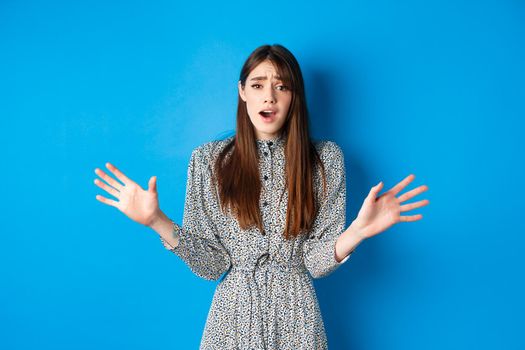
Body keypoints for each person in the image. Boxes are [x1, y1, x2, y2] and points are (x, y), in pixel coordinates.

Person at [93, 44, 429, 349]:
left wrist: (358, 231)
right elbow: (212, 266)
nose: (269, 97)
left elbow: (315, 262)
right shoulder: (208, 161)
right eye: (257, 85)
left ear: (294, 96)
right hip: (231, 318)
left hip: (298, 318)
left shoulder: (325, 160)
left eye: (281, 86)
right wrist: (157, 221)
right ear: (242, 92)